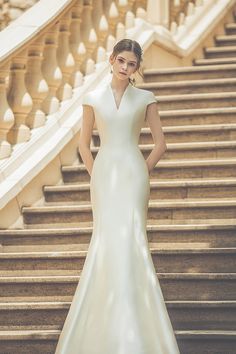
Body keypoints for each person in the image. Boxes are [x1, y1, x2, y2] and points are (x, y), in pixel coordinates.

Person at [55, 38, 180, 354]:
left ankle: (140, 330)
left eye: (132, 64)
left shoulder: (146, 98)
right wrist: (95, 174)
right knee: (106, 242)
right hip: (104, 177)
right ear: (111, 59)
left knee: (133, 241)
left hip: (133, 176)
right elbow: (84, 145)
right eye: (121, 60)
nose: (125, 68)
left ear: (137, 68)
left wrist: (142, 171)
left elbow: (161, 144)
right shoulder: (92, 98)